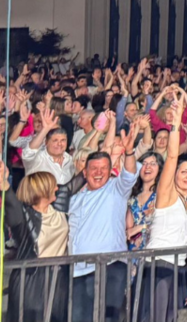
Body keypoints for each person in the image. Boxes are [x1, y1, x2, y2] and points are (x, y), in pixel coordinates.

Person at [67, 124, 139, 322]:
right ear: (85, 172)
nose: (98, 173)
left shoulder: (116, 188)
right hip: (77, 267)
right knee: (79, 318)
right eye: (94, 169)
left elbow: (130, 174)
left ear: (110, 171)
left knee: (108, 318)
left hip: (110, 266)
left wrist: (130, 151)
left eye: (103, 169)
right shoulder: (74, 198)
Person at [141, 90, 187, 322]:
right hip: (158, 266)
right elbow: (173, 155)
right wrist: (176, 126)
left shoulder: (186, 202)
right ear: (174, 174)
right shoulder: (166, 194)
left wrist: (185, 280)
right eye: (184, 172)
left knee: (170, 318)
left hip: (177, 265)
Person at [0, 162, 69, 322]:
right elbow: (12, 205)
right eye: (53, 186)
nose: (56, 188)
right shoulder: (24, 217)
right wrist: (3, 184)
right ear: (43, 191)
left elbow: (78, 180)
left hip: (58, 276)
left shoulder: (58, 208)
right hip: (32, 279)